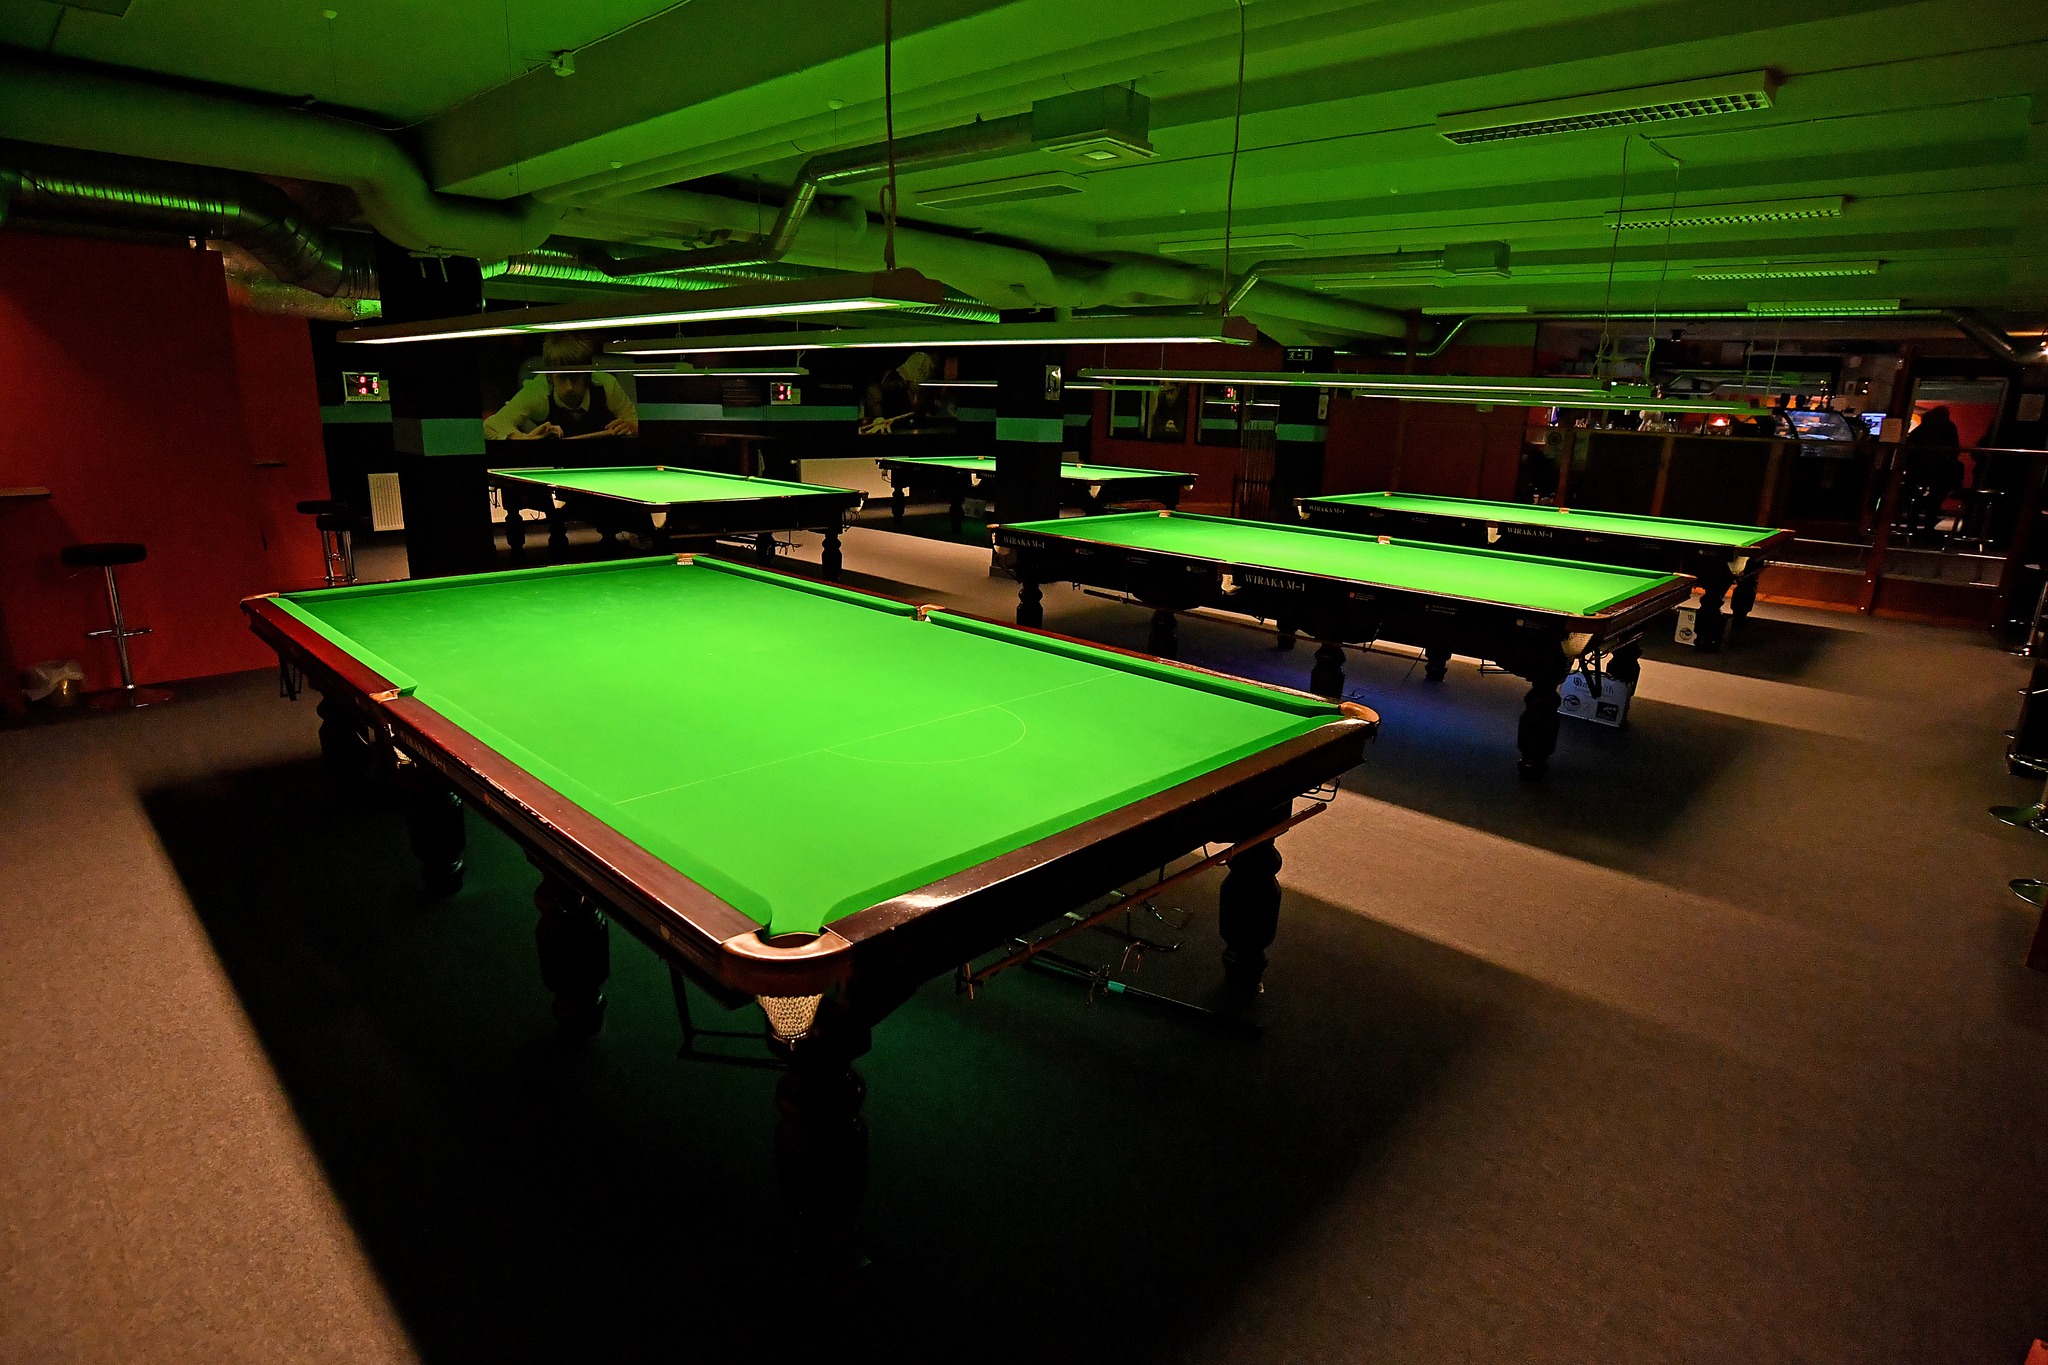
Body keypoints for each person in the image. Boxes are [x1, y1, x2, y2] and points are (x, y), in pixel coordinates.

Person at [483, 335, 638, 441]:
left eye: (575, 377)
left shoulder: (606, 385)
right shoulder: (538, 390)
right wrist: (524, 438)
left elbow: (640, 423)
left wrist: (633, 426)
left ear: (587, 374)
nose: (569, 387)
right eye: (562, 378)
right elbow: (491, 425)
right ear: (550, 376)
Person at [1900, 405, 1963, 538]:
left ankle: (1912, 525)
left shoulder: (1921, 429)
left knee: (1917, 498)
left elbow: (1909, 449)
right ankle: (1929, 526)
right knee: (1935, 499)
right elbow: (1954, 451)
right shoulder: (1948, 428)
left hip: (1918, 472)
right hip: (1941, 473)